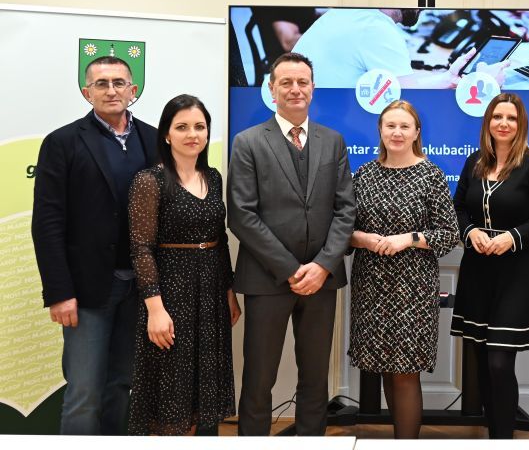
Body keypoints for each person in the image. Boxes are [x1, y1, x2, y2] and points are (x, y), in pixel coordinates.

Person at [227, 52, 357, 436]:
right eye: (286, 82)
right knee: (259, 377)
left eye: (302, 82)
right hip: (267, 279)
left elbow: (345, 210)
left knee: (315, 378)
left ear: (313, 88)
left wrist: (322, 266)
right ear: (272, 89)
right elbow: (241, 215)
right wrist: (290, 269)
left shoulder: (332, 141)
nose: (295, 89)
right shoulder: (248, 142)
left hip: (322, 280)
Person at [31, 55, 157, 434]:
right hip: (86, 291)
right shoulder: (62, 142)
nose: (111, 90)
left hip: (140, 288)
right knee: (84, 391)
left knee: (121, 385)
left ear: (133, 90)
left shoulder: (154, 139)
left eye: (119, 83)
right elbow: (47, 224)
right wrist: (59, 292)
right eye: (101, 84)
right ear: (87, 92)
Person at [126, 94, 240, 435]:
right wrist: (155, 309)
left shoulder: (214, 177)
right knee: (171, 392)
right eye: (182, 127)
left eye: (200, 127)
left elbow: (219, 239)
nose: (192, 134)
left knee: (203, 394)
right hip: (170, 296)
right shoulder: (150, 180)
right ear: (166, 134)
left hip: (211, 295)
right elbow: (141, 249)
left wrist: (229, 292)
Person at [348, 100, 460, 439]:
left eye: (404, 126)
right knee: (385, 365)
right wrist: (363, 239)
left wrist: (407, 239)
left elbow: (448, 234)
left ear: (416, 133)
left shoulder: (430, 174)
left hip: (413, 286)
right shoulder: (364, 174)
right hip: (371, 284)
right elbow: (343, 229)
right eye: (390, 125)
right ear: (380, 131)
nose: (397, 132)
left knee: (406, 371)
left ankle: (407, 443)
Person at [450, 93, 529, 439]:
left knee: (499, 362)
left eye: (511, 118)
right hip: (477, 269)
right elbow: (458, 208)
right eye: (498, 117)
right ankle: (494, 433)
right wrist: (470, 231)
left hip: (516, 271)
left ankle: (503, 439)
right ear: (488, 122)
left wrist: (513, 237)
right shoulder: (475, 162)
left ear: (520, 124)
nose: (504, 123)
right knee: (482, 359)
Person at [291, 7, 509, 89]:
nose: (424, 6)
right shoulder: (375, 28)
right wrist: (482, 83)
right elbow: (407, 98)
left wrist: (447, 78)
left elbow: (399, 84)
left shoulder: (350, 13)